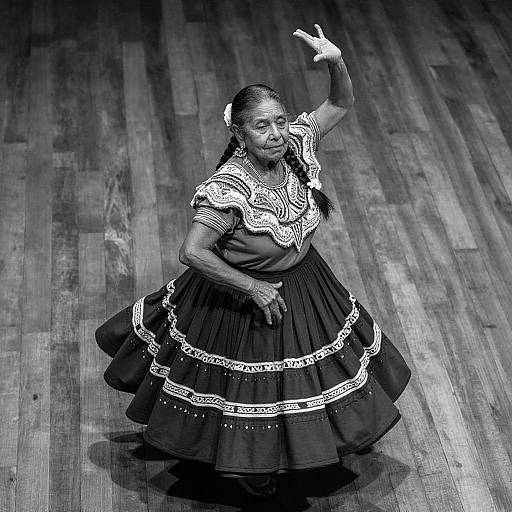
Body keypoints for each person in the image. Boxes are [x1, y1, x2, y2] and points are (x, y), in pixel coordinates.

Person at [95, 24, 411, 499]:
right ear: (239, 133)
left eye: (280, 121)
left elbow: (340, 104)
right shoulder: (229, 188)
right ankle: (251, 462)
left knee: (318, 368)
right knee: (254, 388)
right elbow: (193, 251)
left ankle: (330, 436)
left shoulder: (297, 146)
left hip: (306, 284)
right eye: (262, 126)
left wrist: (337, 62)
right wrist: (252, 288)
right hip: (244, 297)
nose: (277, 133)